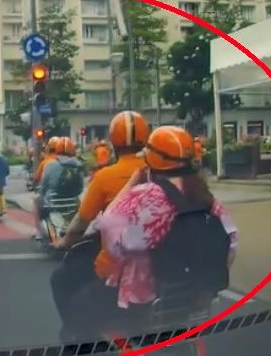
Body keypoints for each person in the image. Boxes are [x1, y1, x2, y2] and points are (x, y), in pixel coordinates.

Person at [57, 125, 239, 343]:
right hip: (192, 298)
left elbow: (112, 236)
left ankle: (83, 345)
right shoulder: (205, 197)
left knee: (79, 306)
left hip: (142, 299)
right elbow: (232, 244)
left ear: (151, 160)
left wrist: (132, 183)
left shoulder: (147, 196)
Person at [50, 111, 151, 338]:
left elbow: (82, 220)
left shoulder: (105, 176)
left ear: (113, 143)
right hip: (157, 255)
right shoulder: (156, 172)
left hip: (117, 257)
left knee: (62, 278)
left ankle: (78, 333)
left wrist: (65, 241)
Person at [35, 137, 85, 237]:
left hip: (53, 205)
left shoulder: (49, 165)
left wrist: (41, 195)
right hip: (73, 206)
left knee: (37, 201)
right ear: (72, 151)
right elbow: (80, 188)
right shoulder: (79, 165)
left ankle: (39, 233)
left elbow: (43, 187)